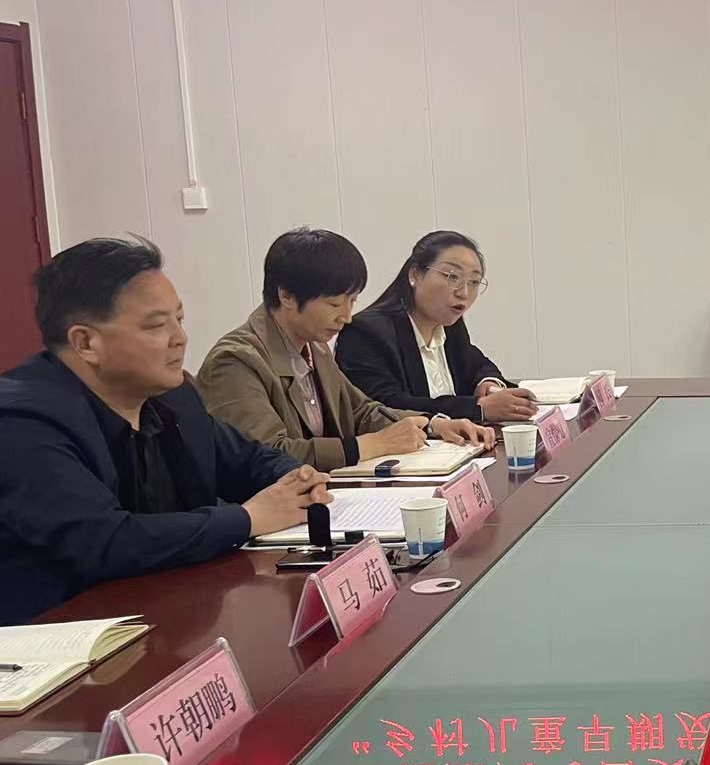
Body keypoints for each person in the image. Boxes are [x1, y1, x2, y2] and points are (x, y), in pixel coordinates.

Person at [0, 238, 330, 623]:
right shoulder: (21, 423)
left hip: (166, 616)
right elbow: (106, 541)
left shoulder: (174, 397)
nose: (180, 338)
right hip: (58, 637)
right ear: (85, 342)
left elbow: (248, 460)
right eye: (158, 325)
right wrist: (248, 518)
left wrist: (299, 480)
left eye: (180, 319)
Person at [197, 229, 492, 472]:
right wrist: (370, 445)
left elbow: (361, 410)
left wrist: (433, 424)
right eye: (334, 304)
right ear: (286, 296)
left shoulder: (315, 347)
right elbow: (267, 455)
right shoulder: (236, 361)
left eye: (352, 301)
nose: (347, 317)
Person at [336, 231, 538, 424]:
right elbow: (386, 407)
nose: (464, 293)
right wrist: (478, 408)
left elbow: (478, 365)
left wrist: (488, 383)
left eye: (474, 282)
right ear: (415, 274)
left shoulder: (449, 326)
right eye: (452, 277)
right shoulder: (366, 332)